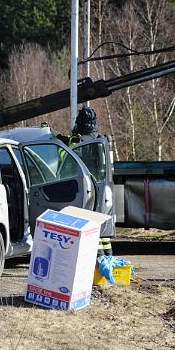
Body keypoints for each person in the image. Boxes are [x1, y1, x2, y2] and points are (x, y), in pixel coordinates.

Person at [67, 106, 113, 257]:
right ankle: (107, 260)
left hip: (86, 188)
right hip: (101, 186)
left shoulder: (78, 141)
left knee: (91, 227)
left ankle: (98, 262)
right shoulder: (102, 139)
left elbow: (66, 161)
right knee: (103, 231)